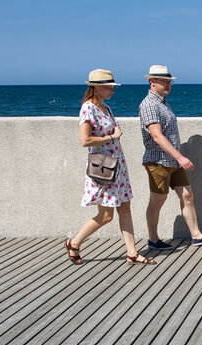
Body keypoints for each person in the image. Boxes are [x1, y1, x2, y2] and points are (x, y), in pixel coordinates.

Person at [64, 69, 156, 265]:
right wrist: (111, 136)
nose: (113, 91)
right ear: (96, 87)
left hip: (117, 167)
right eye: (109, 87)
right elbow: (85, 140)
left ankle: (132, 253)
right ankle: (74, 243)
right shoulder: (88, 108)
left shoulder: (106, 108)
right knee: (106, 215)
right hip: (103, 169)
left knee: (125, 208)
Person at [139, 65, 202, 249]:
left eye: (170, 82)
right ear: (152, 82)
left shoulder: (162, 103)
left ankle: (197, 236)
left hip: (172, 161)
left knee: (187, 196)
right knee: (157, 200)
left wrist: (177, 158)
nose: (169, 84)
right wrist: (180, 157)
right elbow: (157, 136)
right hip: (158, 161)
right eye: (165, 82)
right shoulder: (149, 105)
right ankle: (153, 239)